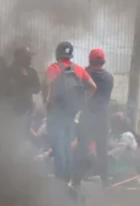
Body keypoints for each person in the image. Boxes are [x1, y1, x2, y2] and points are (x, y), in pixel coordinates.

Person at [43, 41, 96, 183]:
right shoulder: (78, 69)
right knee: (67, 147)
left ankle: (60, 181)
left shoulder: (53, 68)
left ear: (57, 53)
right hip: (71, 113)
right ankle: (68, 180)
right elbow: (92, 86)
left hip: (56, 113)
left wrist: (46, 101)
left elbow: (46, 84)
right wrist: (82, 102)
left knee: (58, 148)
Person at [73, 48, 114, 188]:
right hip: (103, 118)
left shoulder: (85, 75)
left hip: (88, 117)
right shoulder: (109, 77)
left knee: (82, 148)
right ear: (103, 61)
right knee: (102, 150)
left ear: (90, 60)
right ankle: (105, 182)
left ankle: (76, 180)